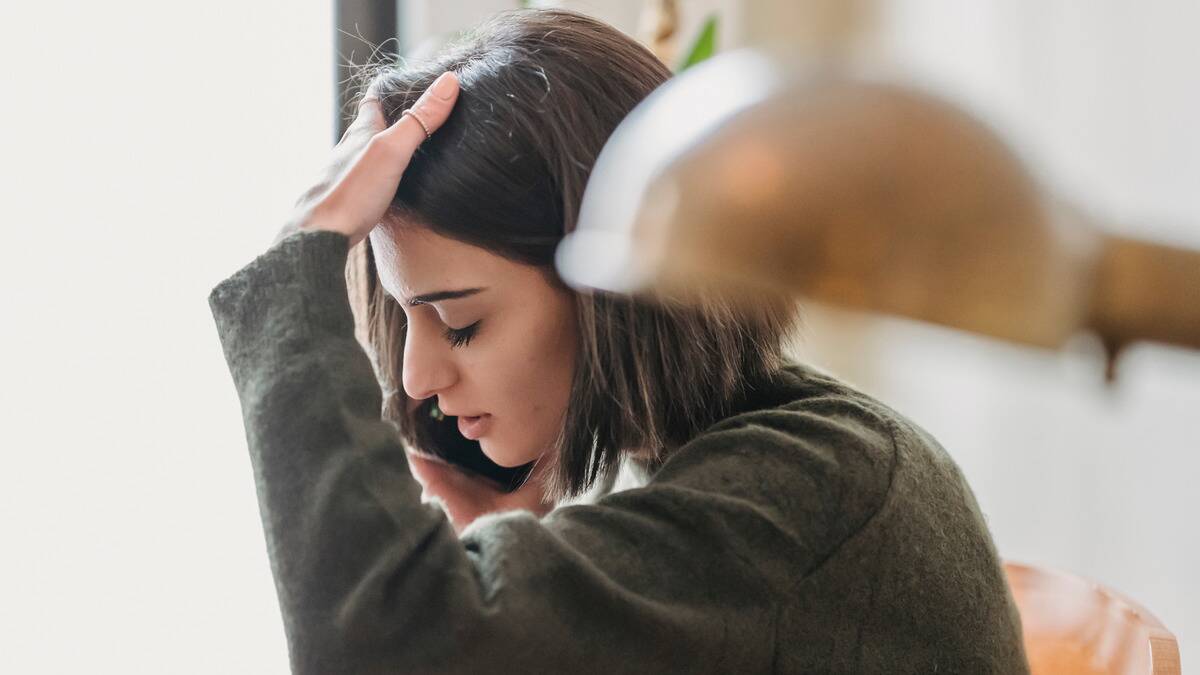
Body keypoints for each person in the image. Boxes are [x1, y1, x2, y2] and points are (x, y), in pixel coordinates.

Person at [209, 8, 1029, 674]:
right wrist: (528, 586)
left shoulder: (814, 490)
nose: (418, 376)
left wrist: (295, 271)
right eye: (411, 317)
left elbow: (381, 648)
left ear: (609, 293)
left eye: (462, 322)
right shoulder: (720, 456)